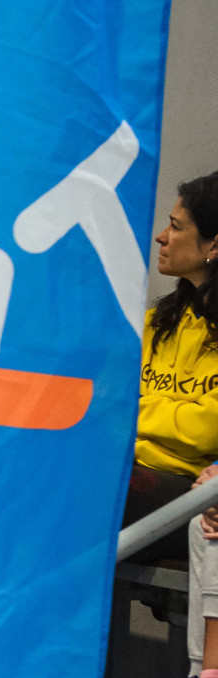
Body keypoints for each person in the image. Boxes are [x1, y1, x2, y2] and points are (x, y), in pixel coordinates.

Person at [122, 172, 218, 563]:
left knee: (78, 495)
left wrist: (132, 412)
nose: (161, 237)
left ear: (214, 244)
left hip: (191, 490)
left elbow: (206, 430)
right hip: (131, 471)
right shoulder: (156, 321)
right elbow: (109, 399)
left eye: (176, 227)